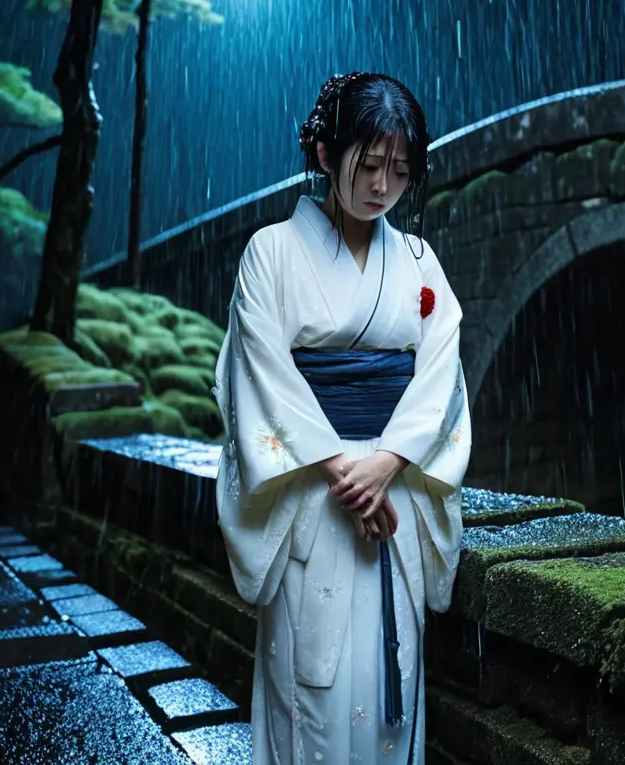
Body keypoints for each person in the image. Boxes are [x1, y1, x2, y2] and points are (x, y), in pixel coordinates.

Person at [212, 71, 470, 765]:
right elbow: (259, 374)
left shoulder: (418, 265)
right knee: (311, 690)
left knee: (395, 687)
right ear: (326, 155)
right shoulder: (272, 253)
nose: (382, 185)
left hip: (394, 498)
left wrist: (386, 462)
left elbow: (440, 371)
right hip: (313, 498)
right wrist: (341, 471)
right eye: (369, 163)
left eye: (400, 170)